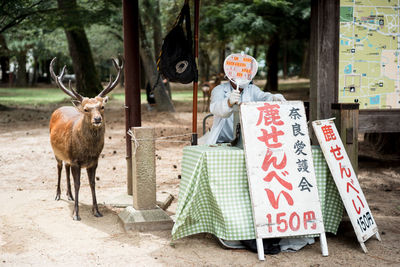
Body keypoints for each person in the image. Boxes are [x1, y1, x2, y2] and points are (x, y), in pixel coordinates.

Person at [201, 78, 286, 144]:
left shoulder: (252, 89)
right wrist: (228, 102)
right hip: (222, 141)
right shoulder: (219, 89)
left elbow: (263, 97)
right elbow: (215, 109)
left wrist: (273, 98)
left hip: (247, 140)